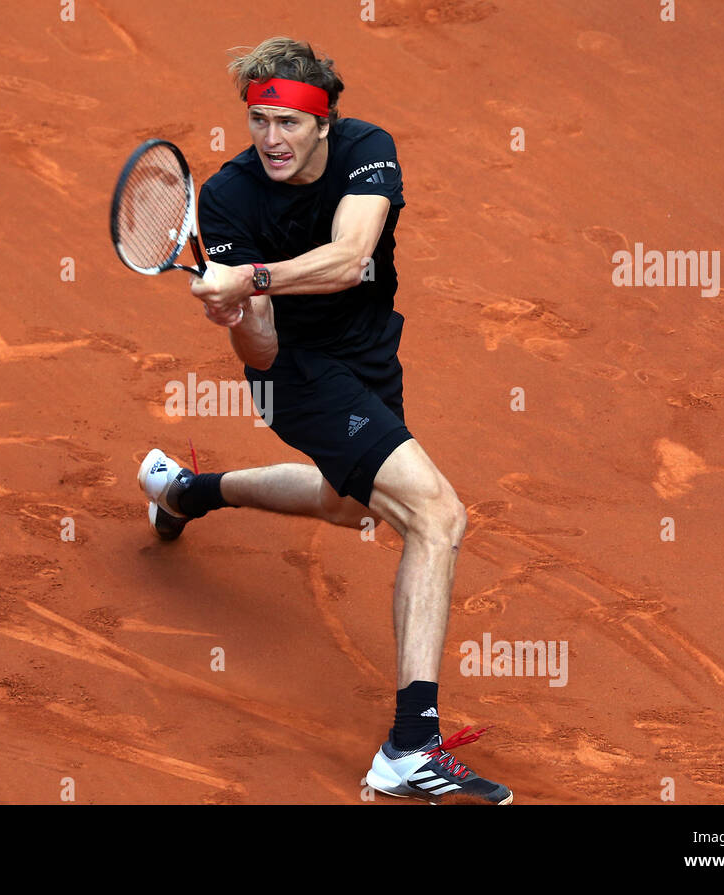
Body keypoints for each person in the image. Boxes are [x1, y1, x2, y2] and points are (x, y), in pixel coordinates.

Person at [138, 37, 512, 805]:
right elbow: (263, 348)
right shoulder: (228, 199)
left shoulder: (368, 150)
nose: (271, 139)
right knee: (436, 516)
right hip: (298, 377)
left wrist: (253, 276)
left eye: (288, 123)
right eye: (259, 121)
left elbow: (349, 257)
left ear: (324, 123)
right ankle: (410, 746)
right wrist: (237, 311)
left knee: (350, 504)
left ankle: (186, 493)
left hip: (370, 353)